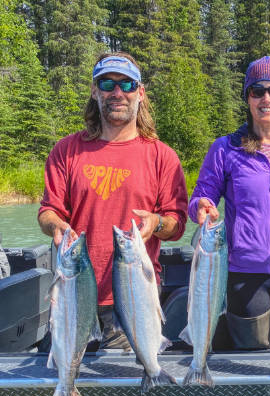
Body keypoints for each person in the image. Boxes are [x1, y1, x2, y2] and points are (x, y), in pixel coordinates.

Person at [38, 52, 188, 350]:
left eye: (127, 85)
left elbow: (177, 224)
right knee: (67, 376)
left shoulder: (162, 157)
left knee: (129, 387)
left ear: (140, 93)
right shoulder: (66, 150)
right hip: (74, 291)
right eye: (107, 83)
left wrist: (156, 222)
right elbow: (48, 211)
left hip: (135, 295)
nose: (117, 93)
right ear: (95, 91)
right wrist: (56, 226)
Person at [188, 56, 270, 350]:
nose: (266, 98)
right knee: (251, 356)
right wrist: (201, 205)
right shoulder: (225, 148)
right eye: (257, 91)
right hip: (243, 274)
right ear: (248, 99)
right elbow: (202, 193)